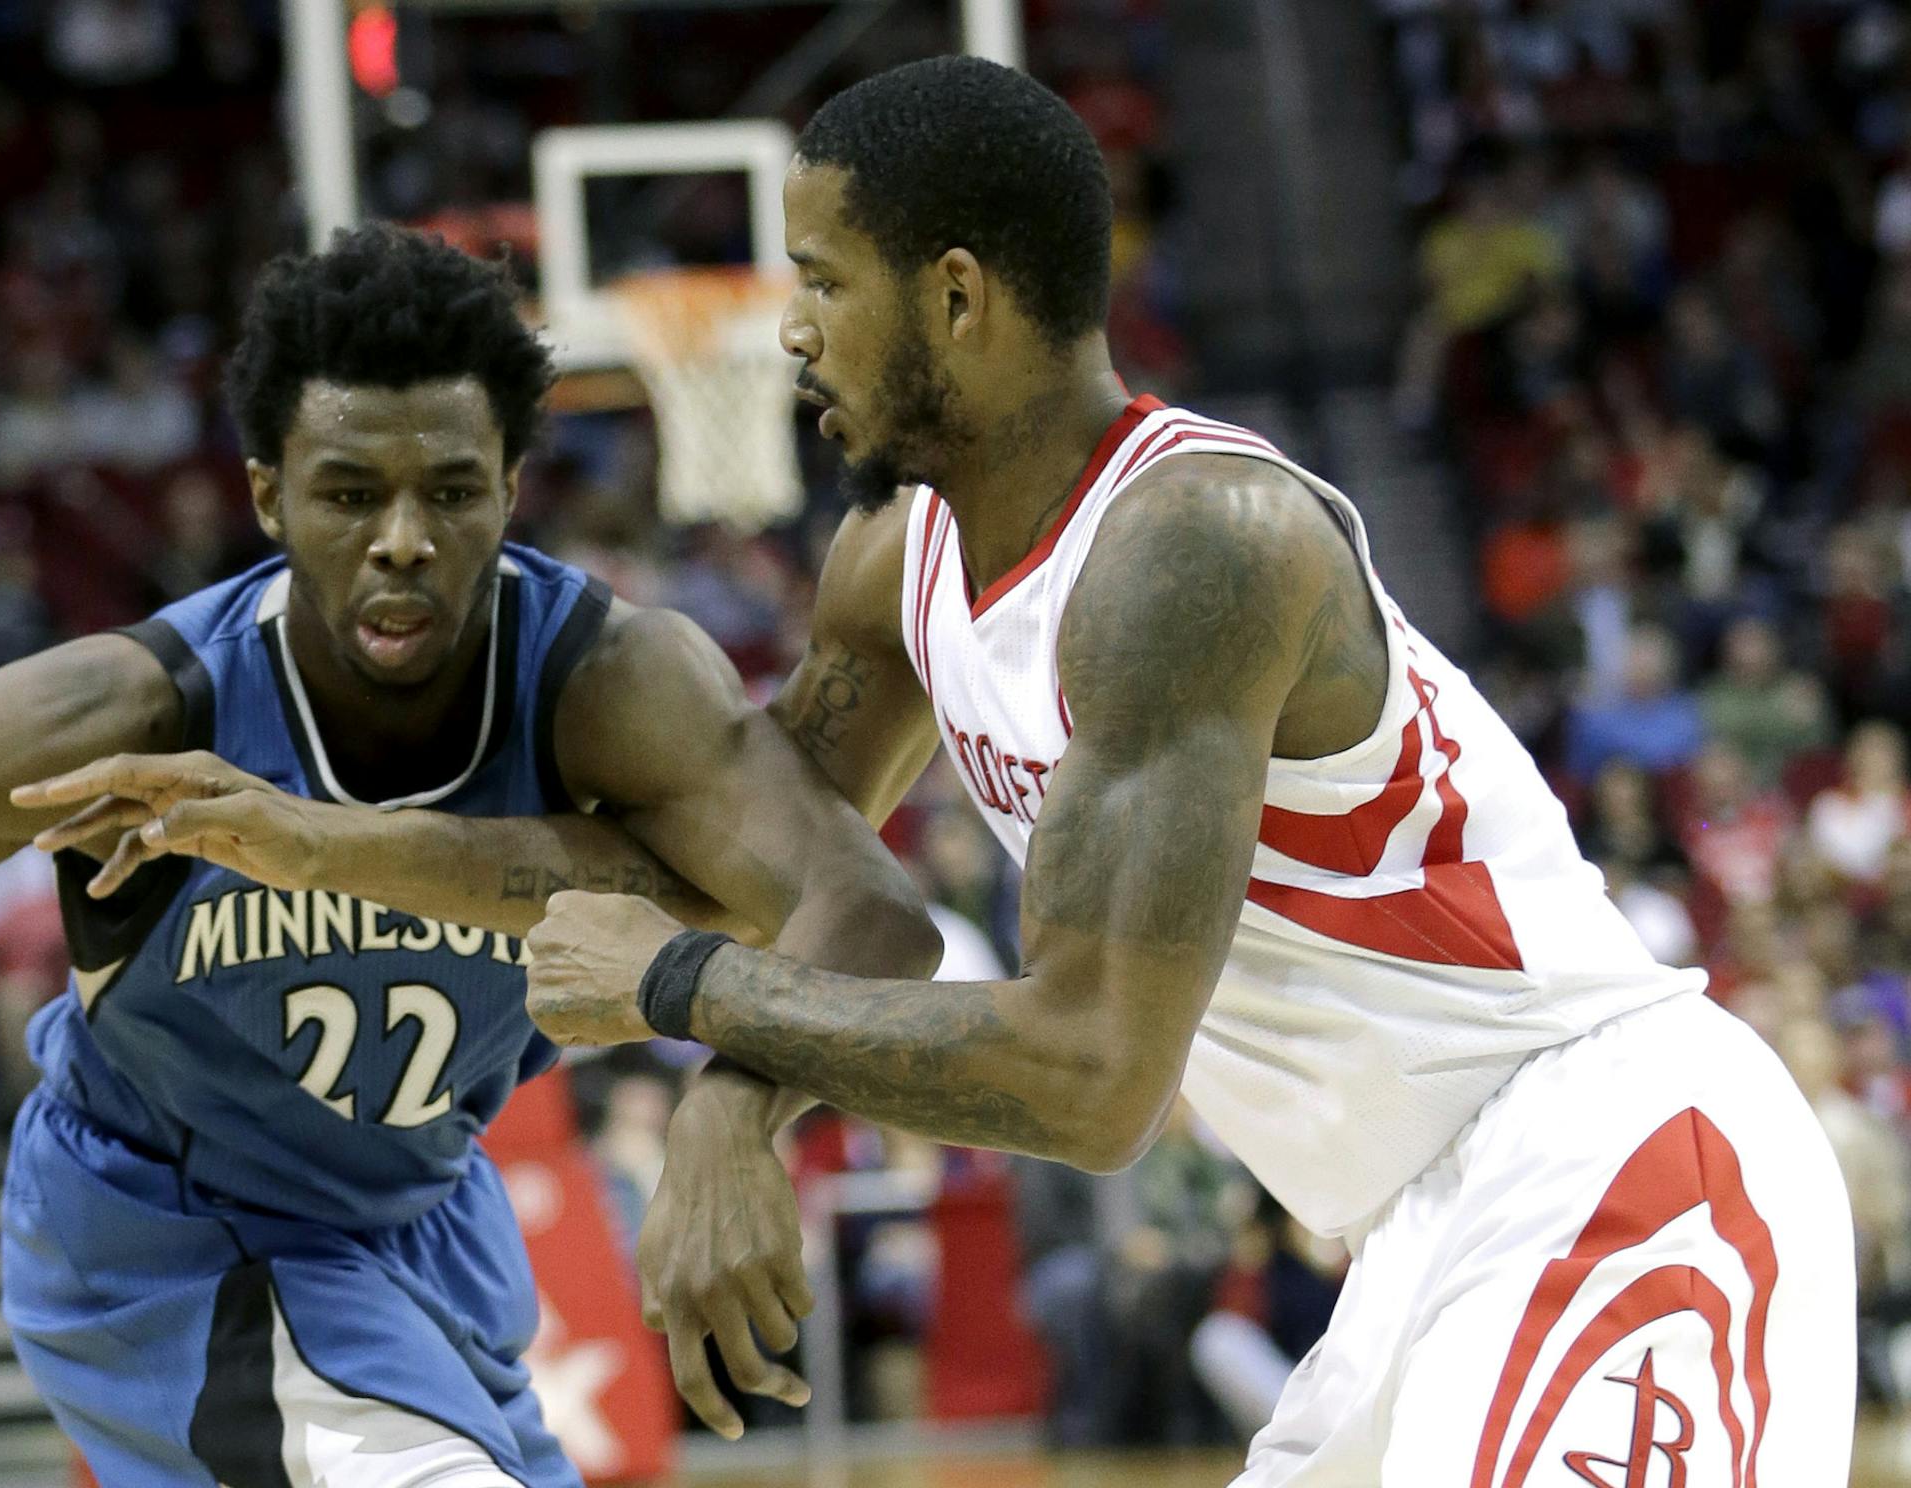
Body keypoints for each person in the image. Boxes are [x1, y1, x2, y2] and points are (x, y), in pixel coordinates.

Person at [520, 57, 1855, 1484]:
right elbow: (734, 871)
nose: (789, 329)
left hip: (1613, 1163)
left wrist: (682, 990)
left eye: (825, 281)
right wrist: (311, 838)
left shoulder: (1194, 547)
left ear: (958, 299)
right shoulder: (896, 569)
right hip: (1412, 1239)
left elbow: (1095, 1080)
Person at [0, 224, 940, 1487]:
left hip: (424, 1224)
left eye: (450, 489)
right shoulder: (132, 714)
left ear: (513, 483)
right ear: (267, 493)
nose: (404, 540)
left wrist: (732, 1118)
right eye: (350, 492)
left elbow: (870, 914)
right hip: (171, 1236)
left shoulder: (609, 682)